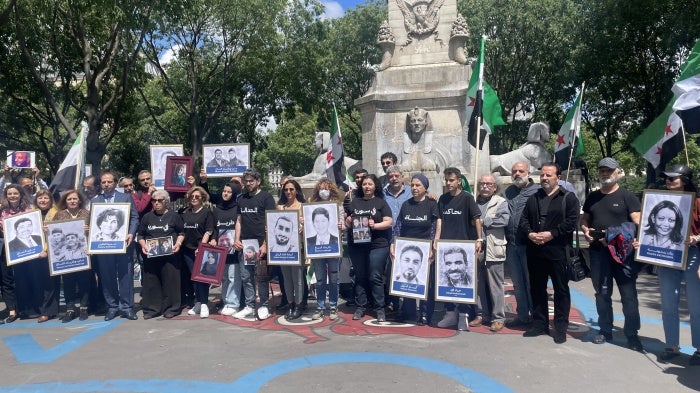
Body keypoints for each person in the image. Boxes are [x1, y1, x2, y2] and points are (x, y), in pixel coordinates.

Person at [581, 157, 644, 351]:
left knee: (629, 296)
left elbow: (639, 222)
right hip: (599, 253)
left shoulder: (628, 196)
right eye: (602, 170)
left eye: (609, 170)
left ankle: (632, 335)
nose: (605, 174)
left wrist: (639, 240)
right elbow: (585, 218)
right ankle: (605, 330)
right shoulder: (592, 197)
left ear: (618, 173)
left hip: (622, 254)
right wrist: (585, 229)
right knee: (602, 294)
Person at [519, 163, 579, 344]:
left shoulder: (568, 198)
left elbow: (571, 221)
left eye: (548, 175)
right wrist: (530, 233)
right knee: (537, 289)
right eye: (542, 175)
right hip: (535, 251)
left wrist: (552, 234)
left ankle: (560, 327)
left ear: (558, 177)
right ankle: (540, 323)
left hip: (558, 251)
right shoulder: (533, 198)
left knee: (561, 290)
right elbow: (523, 219)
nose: (544, 178)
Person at [652, 164, 700, 364]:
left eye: (673, 178)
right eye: (667, 178)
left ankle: (699, 349)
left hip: (693, 256)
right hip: (667, 255)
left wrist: (697, 237)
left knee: (696, 306)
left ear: (685, 180)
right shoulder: (660, 201)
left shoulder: (698, 202)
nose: (668, 181)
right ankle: (672, 345)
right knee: (668, 303)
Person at [434, 167, 482, 331]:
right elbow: (439, 220)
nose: (448, 183)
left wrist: (479, 239)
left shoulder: (468, 198)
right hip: (445, 246)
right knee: (446, 280)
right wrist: (437, 239)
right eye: (446, 180)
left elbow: (477, 219)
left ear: (459, 180)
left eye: (451, 180)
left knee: (463, 283)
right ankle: (450, 314)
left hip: (464, 245)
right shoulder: (443, 199)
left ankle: (463, 316)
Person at [92, 171, 140, 322]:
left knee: (126, 275)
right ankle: (112, 307)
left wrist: (131, 233)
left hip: (123, 244)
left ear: (114, 183)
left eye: (109, 182)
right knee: (107, 277)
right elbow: (92, 223)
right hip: (103, 247)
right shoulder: (95, 201)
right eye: (103, 182)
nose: (106, 184)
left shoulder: (126, 198)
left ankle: (127, 307)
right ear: (101, 184)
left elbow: (134, 217)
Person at [390, 173, 438, 325]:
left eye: (418, 185)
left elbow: (434, 226)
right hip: (408, 247)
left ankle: (425, 313)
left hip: (425, 249)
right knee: (408, 280)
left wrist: (432, 246)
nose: (414, 188)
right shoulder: (406, 204)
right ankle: (408, 312)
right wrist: (393, 243)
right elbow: (398, 226)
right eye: (412, 185)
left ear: (425, 188)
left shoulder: (431, 204)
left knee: (426, 283)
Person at [345, 174, 393, 322]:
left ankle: (379, 308)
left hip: (377, 245)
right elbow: (346, 222)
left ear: (375, 186)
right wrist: (347, 221)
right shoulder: (354, 202)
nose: (367, 187)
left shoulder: (381, 203)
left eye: (370, 184)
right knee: (360, 276)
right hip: (357, 245)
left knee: (375, 276)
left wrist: (375, 225)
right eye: (364, 184)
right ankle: (361, 306)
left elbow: (389, 221)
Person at [233, 168, 276, 320]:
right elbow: (239, 220)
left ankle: (264, 305)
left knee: (262, 277)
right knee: (246, 277)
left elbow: (271, 222)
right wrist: (236, 239)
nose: (249, 183)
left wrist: (265, 243)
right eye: (247, 181)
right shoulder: (241, 199)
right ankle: (250, 306)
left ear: (258, 181)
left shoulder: (266, 197)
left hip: (261, 244)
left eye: (252, 180)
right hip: (245, 244)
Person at [501, 161, 539, 329]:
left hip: (530, 246)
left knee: (532, 283)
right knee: (517, 284)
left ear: (528, 173)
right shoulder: (507, 192)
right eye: (514, 171)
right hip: (512, 244)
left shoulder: (537, 192)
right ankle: (522, 316)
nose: (517, 174)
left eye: (521, 171)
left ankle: (537, 317)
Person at [470, 174, 509, 332]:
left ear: (494, 187)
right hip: (477, 247)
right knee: (478, 283)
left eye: (489, 184)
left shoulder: (500, 202)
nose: (485, 186)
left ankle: (498, 317)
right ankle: (481, 314)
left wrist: (485, 221)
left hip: (494, 247)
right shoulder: (472, 201)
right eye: (482, 183)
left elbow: (505, 220)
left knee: (495, 285)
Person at [13, 189, 59, 322]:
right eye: (40, 198)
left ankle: (48, 311)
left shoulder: (56, 214)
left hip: (51, 253)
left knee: (50, 283)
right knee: (37, 282)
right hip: (34, 254)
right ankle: (40, 309)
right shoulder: (30, 214)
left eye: (46, 198)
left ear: (50, 200)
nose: (43, 201)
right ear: (36, 200)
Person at [137, 190, 184, 319]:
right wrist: (143, 245)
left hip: (170, 256)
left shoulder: (174, 216)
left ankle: (171, 308)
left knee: (170, 282)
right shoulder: (147, 217)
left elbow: (181, 233)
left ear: (166, 202)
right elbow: (140, 235)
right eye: (154, 200)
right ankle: (152, 309)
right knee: (152, 283)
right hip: (151, 256)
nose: (156, 203)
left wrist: (178, 244)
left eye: (159, 200)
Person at [52, 189, 92, 322]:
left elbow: (96, 231)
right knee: (68, 282)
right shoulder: (59, 215)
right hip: (66, 256)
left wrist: (89, 229)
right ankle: (70, 309)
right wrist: (47, 229)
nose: (72, 201)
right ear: (65, 201)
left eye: (75, 199)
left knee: (84, 282)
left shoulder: (87, 213)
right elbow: (53, 233)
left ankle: (83, 308)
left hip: (83, 254)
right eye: (69, 199)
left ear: (79, 200)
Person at [308, 178, 343, 321]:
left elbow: (344, 225)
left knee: (334, 278)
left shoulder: (338, 206)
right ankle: (320, 306)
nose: (324, 191)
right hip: (316, 250)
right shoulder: (311, 206)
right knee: (320, 279)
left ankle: (333, 306)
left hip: (333, 248)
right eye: (321, 188)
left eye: (327, 188)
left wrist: (342, 225)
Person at [180, 186, 215, 319]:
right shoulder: (185, 213)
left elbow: (209, 230)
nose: (194, 199)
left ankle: (205, 303)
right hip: (187, 250)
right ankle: (199, 302)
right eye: (192, 197)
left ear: (202, 198)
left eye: (197, 197)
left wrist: (201, 247)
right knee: (193, 277)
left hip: (200, 249)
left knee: (202, 277)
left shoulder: (207, 212)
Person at [0, 185, 32, 324]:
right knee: (6, 279)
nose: (12, 196)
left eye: (15, 193)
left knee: (22, 278)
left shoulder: (28, 208)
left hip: (22, 248)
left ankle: (25, 307)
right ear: (6, 195)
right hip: (5, 247)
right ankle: (11, 309)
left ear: (20, 194)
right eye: (9, 193)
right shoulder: (2, 210)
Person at [276, 179, 306, 321]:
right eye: (286, 189)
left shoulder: (303, 207)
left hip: (297, 249)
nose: (288, 192)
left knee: (298, 279)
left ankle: (299, 305)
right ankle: (290, 304)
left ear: (297, 191)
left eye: (291, 189)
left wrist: (303, 227)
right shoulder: (280, 208)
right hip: (282, 250)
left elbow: (308, 229)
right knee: (287, 279)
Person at [213, 181, 242, 317]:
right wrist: (213, 239)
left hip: (233, 249)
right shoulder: (217, 208)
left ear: (234, 194)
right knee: (224, 277)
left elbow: (239, 225)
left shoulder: (237, 208)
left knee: (233, 277)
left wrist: (237, 240)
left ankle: (233, 303)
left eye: (229, 192)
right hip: (220, 249)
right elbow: (214, 227)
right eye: (224, 191)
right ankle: (226, 302)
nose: (225, 194)